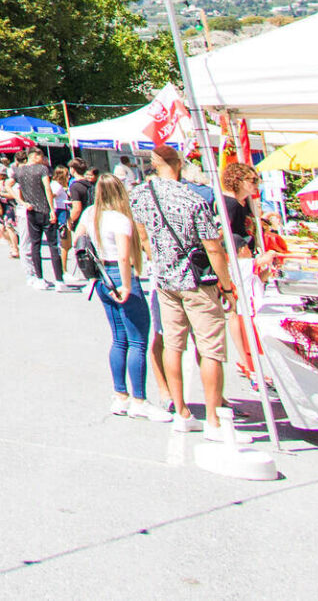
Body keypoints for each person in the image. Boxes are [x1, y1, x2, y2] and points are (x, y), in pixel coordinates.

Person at [126, 143, 232, 437]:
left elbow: (143, 236)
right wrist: (226, 285)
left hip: (165, 280)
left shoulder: (141, 195)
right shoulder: (193, 198)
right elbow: (213, 247)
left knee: (173, 345)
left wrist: (159, 259)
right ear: (179, 163)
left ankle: (182, 411)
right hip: (197, 281)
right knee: (210, 348)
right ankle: (213, 418)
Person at [73, 174, 165, 420]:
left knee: (119, 338)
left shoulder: (91, 214)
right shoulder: (120, 219)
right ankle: (139, 399)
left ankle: (120, 395)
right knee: (138, 340)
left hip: (101, 275)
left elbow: (78, 238)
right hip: (119, 274)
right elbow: (124, 256)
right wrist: (126, 285)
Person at [17, 148, 60, 287]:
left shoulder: (20, 171)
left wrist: (22, 202)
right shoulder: (42, 169)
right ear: (35, 156)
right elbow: (47, 188)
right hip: (44, 209)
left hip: (31, 211)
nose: (43, 159)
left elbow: (11, 186)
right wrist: (52, 208)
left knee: (35, 245)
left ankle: (40, 278)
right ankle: (59, 280)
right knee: (53, 245)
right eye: (41, 157)